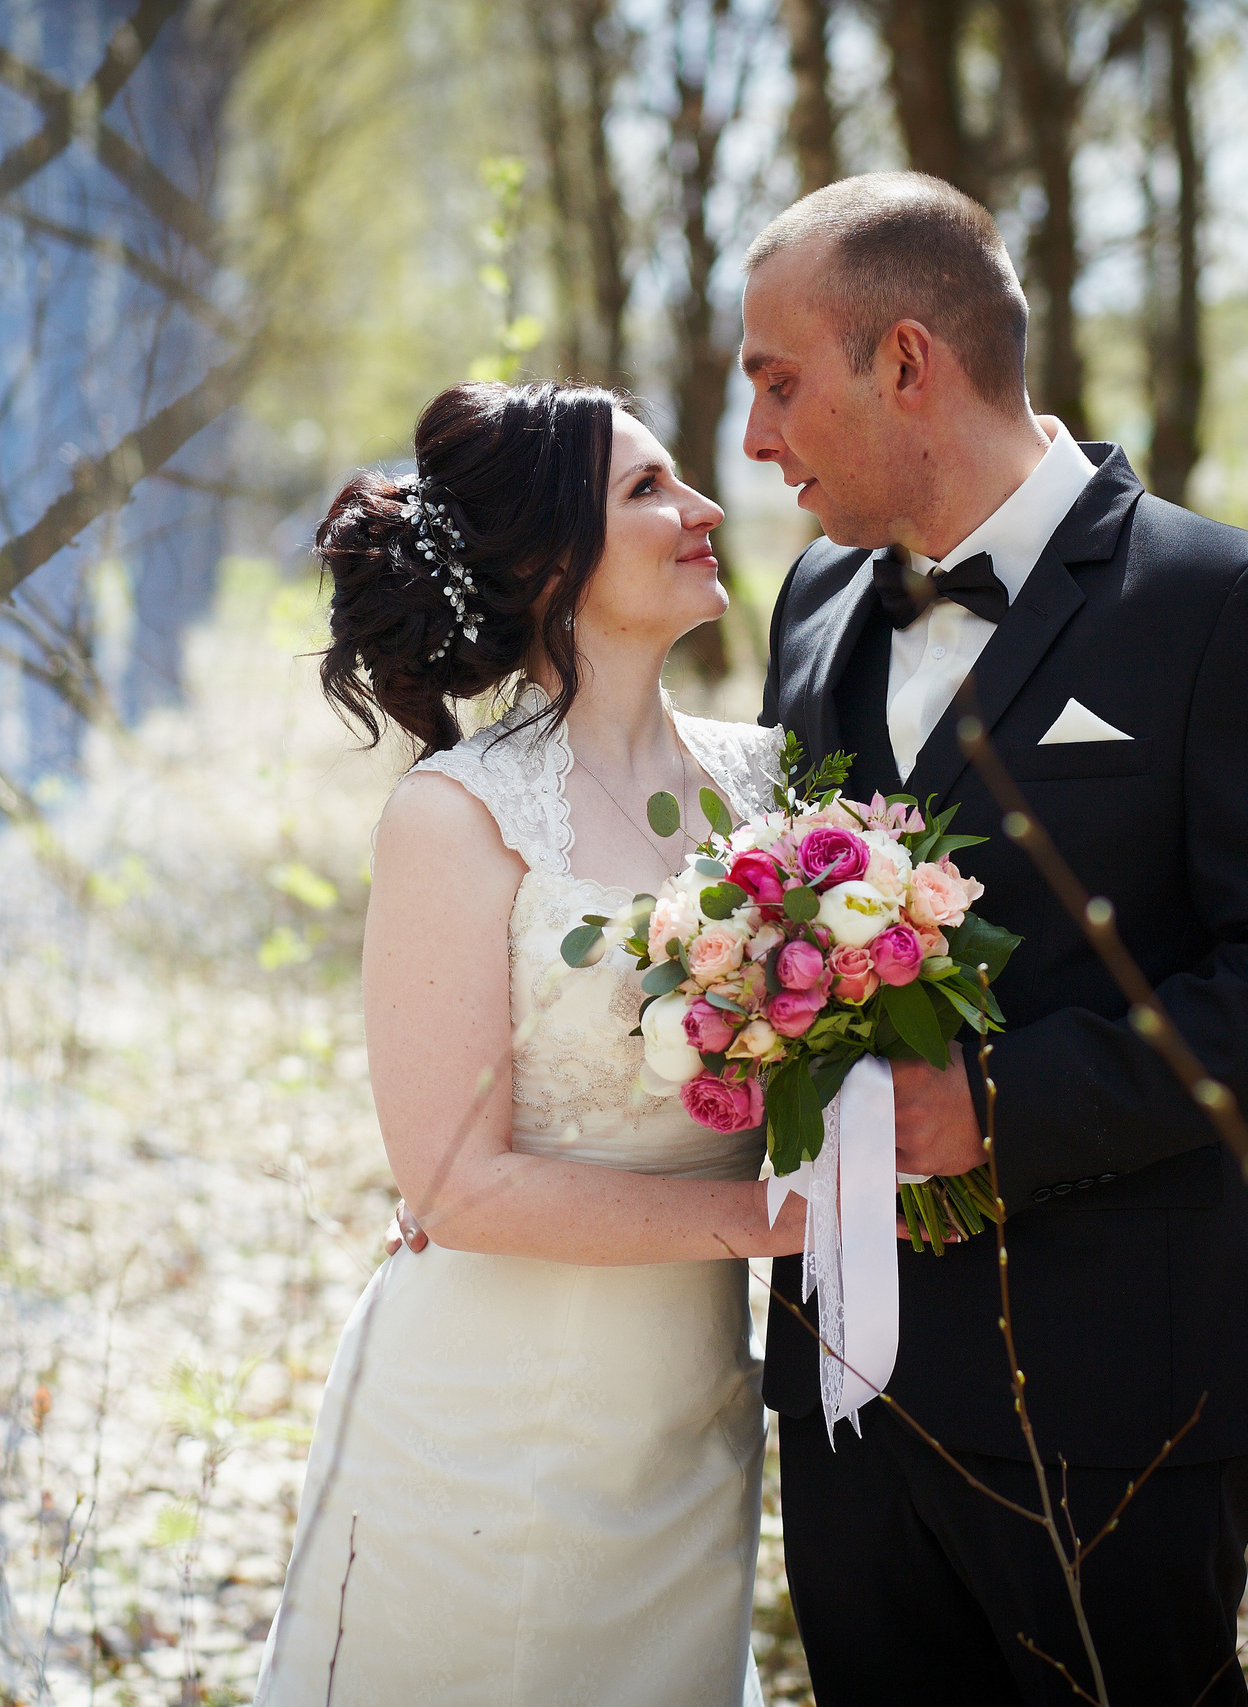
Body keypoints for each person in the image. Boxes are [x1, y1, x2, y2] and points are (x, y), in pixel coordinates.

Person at [741, 173, 1248, 1704]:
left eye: (780, 385)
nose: (760, 440)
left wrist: (995, 1109)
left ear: (906, 361)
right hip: (846, 1387)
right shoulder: (814, 600)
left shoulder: (1227, 603)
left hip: (1117, 1392)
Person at [254, 380, 803, 1706]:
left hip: (689, 1411)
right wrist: (791, 1223)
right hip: (485, 1421)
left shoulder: (779, 789)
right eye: (647, 490)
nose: (704, 508)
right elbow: (456, 1187)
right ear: (553, 563)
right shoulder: (457, 815)